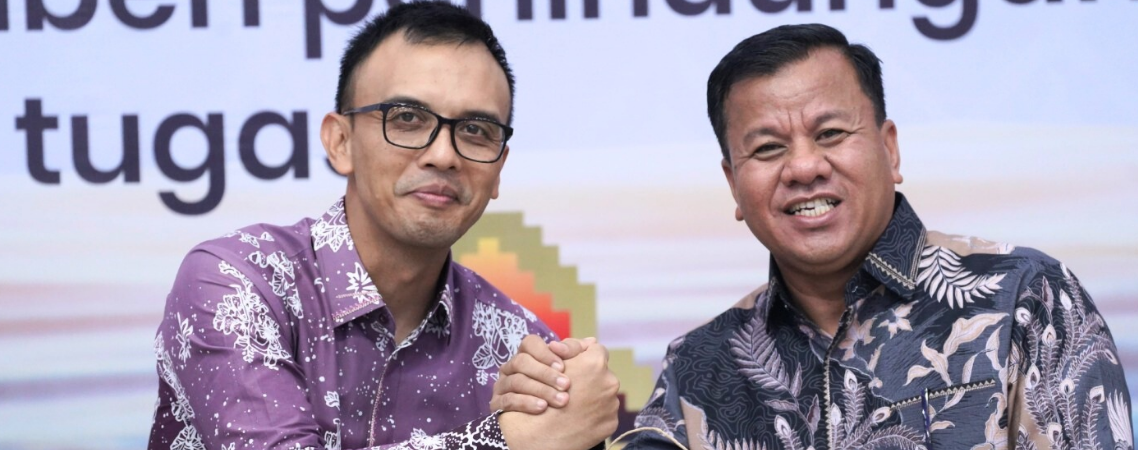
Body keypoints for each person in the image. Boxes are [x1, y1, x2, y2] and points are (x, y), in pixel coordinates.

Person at [500, 24, 1133, 449]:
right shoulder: (699, 364)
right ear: (733, 185)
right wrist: (552, 423)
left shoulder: (1025, 297)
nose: (804, 167)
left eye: (830, 134)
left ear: (889, 149)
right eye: (767, 148)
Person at [147, 3, 618, 450]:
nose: (443, 155)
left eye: (476, 130)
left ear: (499, 170)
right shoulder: (236, 282)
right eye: (408, 118)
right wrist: (508, 439)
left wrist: (571, 430)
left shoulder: (520, 348)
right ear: (340, 142)